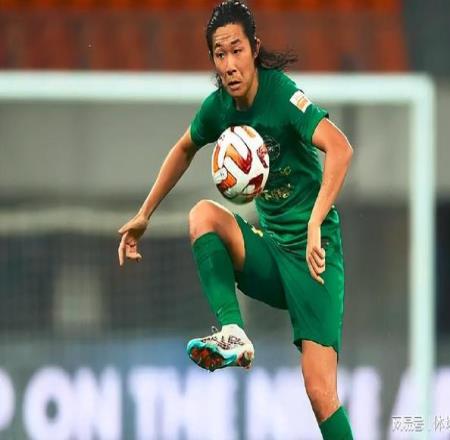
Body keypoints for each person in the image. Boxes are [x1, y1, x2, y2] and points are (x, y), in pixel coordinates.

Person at [118, 1, 354, 438]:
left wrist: (315, 222)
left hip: (314, 258)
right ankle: (233, 331)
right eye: (220, 54)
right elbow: (184, 148)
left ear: (254, 48)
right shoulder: (219, 108)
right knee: (202, 215)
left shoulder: (282, 95)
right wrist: (144, 214)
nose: (229, 64)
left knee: (320, 392)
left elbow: (340, 148)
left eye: (237, 50)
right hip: (271, 250)